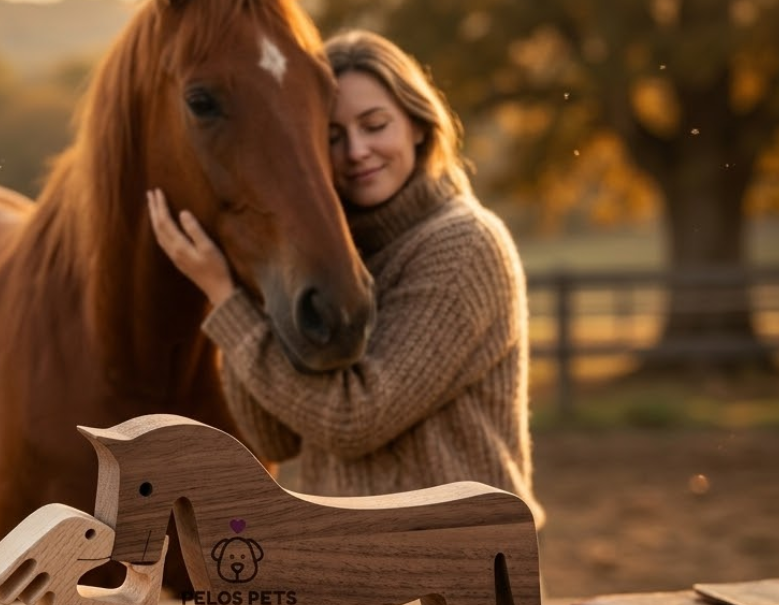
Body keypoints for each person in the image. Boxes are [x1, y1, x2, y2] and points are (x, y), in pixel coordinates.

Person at [146, 29, 542, 523]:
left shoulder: (464, 245)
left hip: (457, 562)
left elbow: (356, 420)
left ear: (418, 126)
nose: (356, 151)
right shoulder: (332, 261)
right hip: (357, 564)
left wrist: (224, 301)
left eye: (375, 125)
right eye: (332, 136)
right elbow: (274, 437)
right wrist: (250, 277)